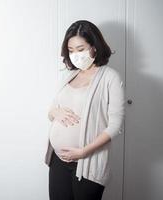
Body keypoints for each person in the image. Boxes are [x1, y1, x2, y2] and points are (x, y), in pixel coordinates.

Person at [45, 20, 125, 200]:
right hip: (58, 160)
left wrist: (83, 152)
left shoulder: (110, 78)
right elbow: (52, 110)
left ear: (94, 47)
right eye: (71, 50)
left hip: (87, 162)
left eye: (80, 49)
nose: (75, 55)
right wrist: (54, 112)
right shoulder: (68, 75)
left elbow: (115, 126)